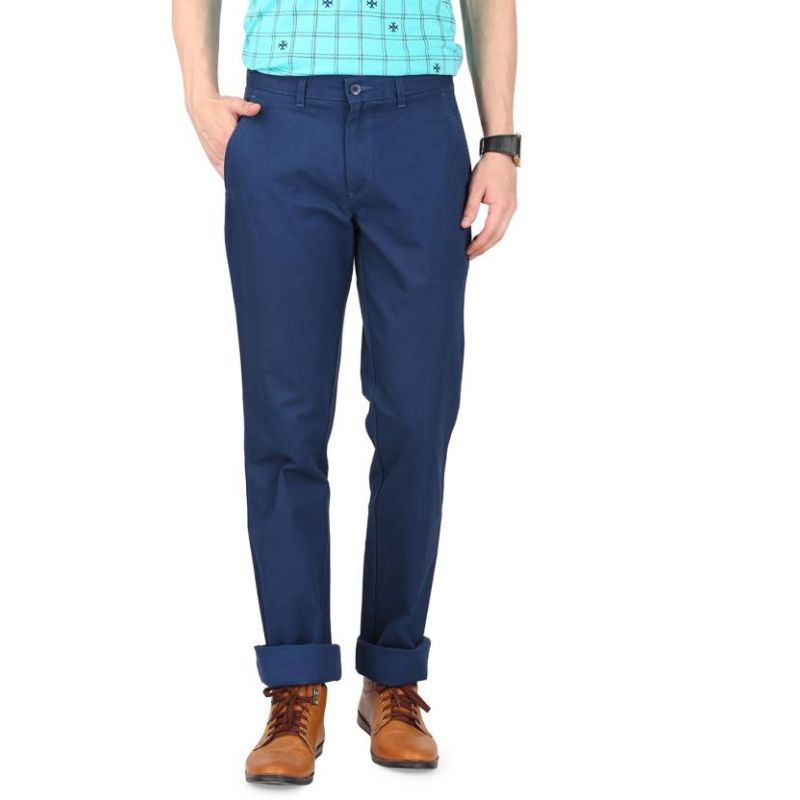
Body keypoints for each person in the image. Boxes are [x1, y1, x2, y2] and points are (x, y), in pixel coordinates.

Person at [173, 0, 519, 784]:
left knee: (418, 416)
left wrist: (501, 143)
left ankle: (393, 677)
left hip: (419, 124)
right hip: (282, 121)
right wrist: (197, 90)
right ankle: (295, 684)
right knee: (284, 419)